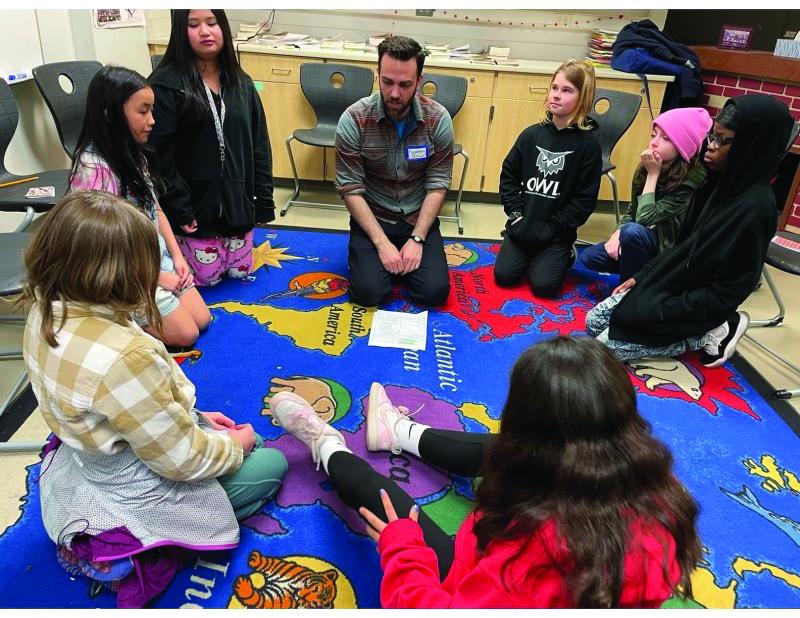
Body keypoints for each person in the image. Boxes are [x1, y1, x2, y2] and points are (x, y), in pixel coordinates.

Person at [269, 336, 701, 608]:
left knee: (396, 518)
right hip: (561, 547)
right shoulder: (661, 492)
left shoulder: (521, 570)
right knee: (510, 452)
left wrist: (403, 551)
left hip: (479, 579)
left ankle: (325, 446)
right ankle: (399, 432)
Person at [18, 192, 288, 608]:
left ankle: (109, 534)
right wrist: (236, 447)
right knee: (271, 463)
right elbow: (184, 461)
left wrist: (195, 418)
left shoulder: (45, 307)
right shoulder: (126, 355)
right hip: (135, 482)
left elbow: (126, 409)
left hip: (86, 458)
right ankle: (139, 548)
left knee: (221, 439)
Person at [585, 94, 794, 367]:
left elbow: (729, 289)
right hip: (675, 283)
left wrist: (664, 309)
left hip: (696, 305)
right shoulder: (715, 183)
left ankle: (708, 332)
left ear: (749, 146)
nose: (710, 146)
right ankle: (670, 319)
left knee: (602, 352)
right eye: (711, 136)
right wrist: (644, 275)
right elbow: (681, 245)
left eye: (721, 140)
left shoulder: (755, 209)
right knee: (594, 321)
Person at [70, 65, 211, 348]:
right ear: (112, 115)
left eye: (152, 110)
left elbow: (154, 207)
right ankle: (119, 320)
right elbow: (103, 250)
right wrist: (156, 278)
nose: (152, 121)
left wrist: (177, 257)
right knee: (187, 335)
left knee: (202, 319)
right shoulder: (92, 170)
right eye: (143, 111)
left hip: (153, 259)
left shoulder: (133, 152)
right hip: (126, 272)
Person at [148, 9, 274, 287]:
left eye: (212, 23)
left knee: (240, 273)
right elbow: (159, 158)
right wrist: (179, 207)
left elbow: (259, 145)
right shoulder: (166, 85)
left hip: (237, 206)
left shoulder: (242, 83)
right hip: (194, 211)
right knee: (208, 279)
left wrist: (263, 200)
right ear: (181, 31)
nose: (205, 31)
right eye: (194, 25)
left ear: (223, 27)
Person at [335, 35, 453, 307]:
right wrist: (381, 243)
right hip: (374, 219)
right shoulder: (354, 119)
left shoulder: (438, 119)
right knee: (369, 294)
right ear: (378, 74)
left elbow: (438, 183)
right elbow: (350, 188)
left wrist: (418, 238)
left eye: (405, 84)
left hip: (417, 218)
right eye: (387, 82)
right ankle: (384, 262)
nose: (395, 93)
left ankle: (403, 261)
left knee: (433, 294)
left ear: (419, 80)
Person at [494, 59, 603, 298]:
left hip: (556, 234)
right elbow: (509, 176)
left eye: (567, 90)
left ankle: (564, 255)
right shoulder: (532, 134)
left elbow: (584, 201)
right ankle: (527, 253)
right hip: (523, 226)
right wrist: (515, 215)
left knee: (544, 287)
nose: (556, 95)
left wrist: (554, 228)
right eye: (554, 88)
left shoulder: (588, 146)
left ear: (582, 98)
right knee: (504, 277)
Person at [580, 107, 711, 281]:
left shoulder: (691, 179)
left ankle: (628, 292)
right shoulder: (647, 166)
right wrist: (617, 234)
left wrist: (653, 175)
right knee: (591, 256)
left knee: (632, 232)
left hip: (666, 251)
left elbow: (644, 218)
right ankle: (642, 276)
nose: (654, 143)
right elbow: (632, 211)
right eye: (653, 135)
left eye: (665, 138)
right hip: (639, 242)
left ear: (683, 148)